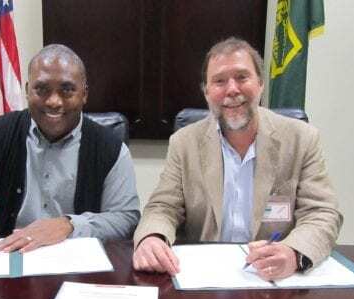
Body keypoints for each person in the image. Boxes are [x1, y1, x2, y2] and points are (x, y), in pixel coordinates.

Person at [132, 37, 342, 281]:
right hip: (205, 281)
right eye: (219, 81)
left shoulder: (301, 139)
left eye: (242, 77)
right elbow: (163, 207)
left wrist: (293, 253)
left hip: (274, 283)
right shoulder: (184, 143)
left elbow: (322, 213)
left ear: (261, 84)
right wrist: (152, 238)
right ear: (207, 92)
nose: (232, 89)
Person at [0, 44, 140, 257]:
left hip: (79, 266)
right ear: (27, 91)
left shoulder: (110, 148)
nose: (54, 101)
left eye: (67, 90)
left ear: (84, 94)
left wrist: (69, 225)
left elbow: (126, 218)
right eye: (42, 90)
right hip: (10, 262)